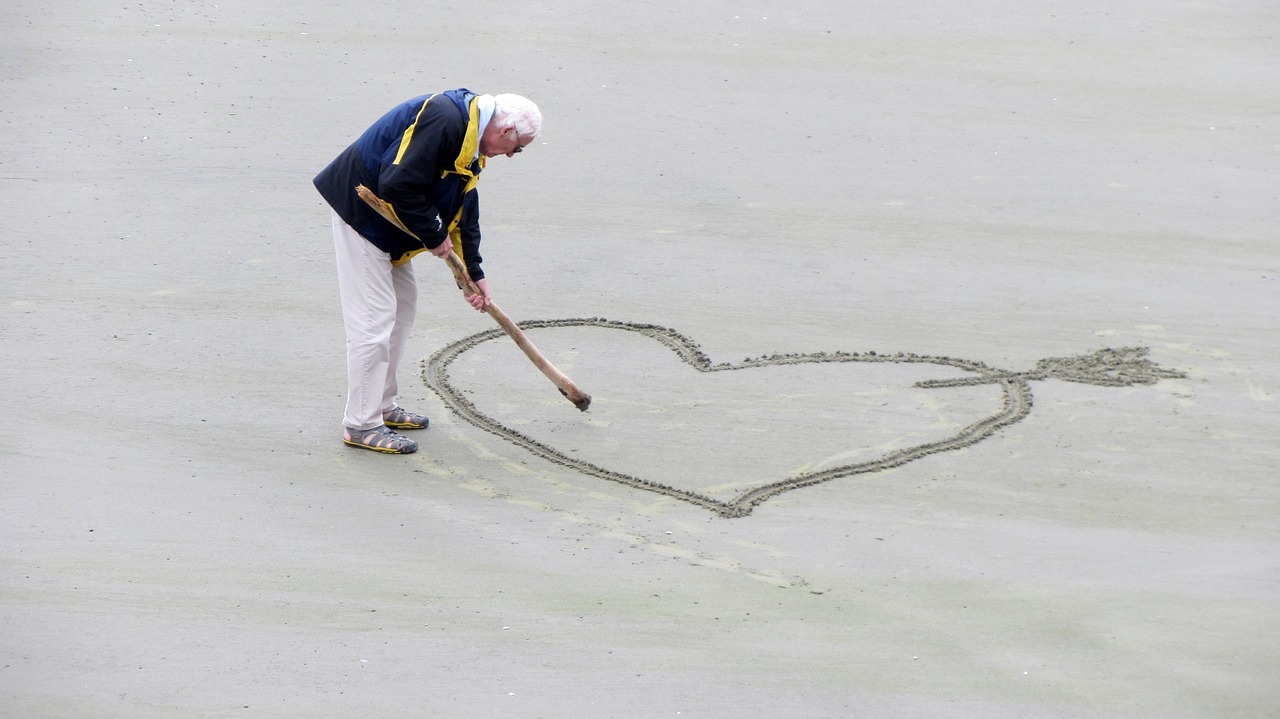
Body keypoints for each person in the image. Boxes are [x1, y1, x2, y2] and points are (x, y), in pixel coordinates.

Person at [313, 89, 541, 454]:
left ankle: (381, 407)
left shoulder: (471, 141)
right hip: (361, 216)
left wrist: (472, 274)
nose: (512, 155)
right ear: (506, 130)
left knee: (402, 309)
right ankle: (360, 424)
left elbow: (463, 206)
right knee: (373, 322)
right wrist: (434, 237)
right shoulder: (446, 119)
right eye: (518, 147)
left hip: (390, 228)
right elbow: (395, 183)